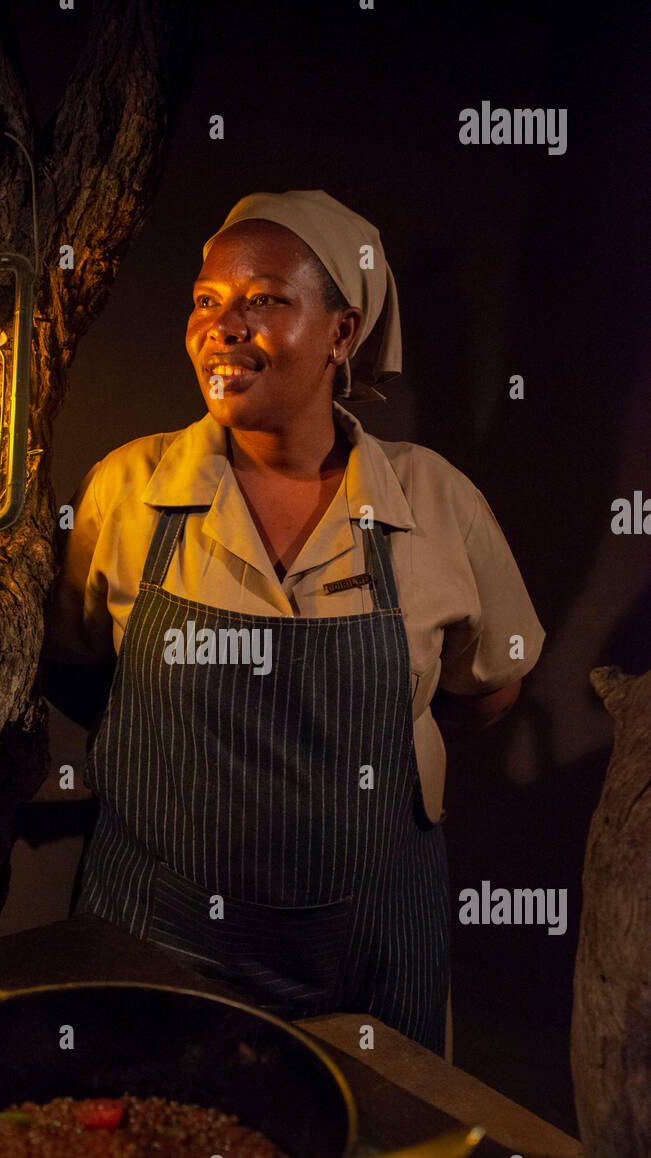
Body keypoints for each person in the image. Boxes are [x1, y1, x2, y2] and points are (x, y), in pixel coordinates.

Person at [43, 189, 545, 1055]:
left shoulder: (434, 501)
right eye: (206, 300)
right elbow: (82, 670)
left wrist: (356, 764)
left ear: (342, 334)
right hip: (154, 934)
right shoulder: (128, 488)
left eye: (264, 299)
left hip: (374, 954)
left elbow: (488, 688)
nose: (222, 326)